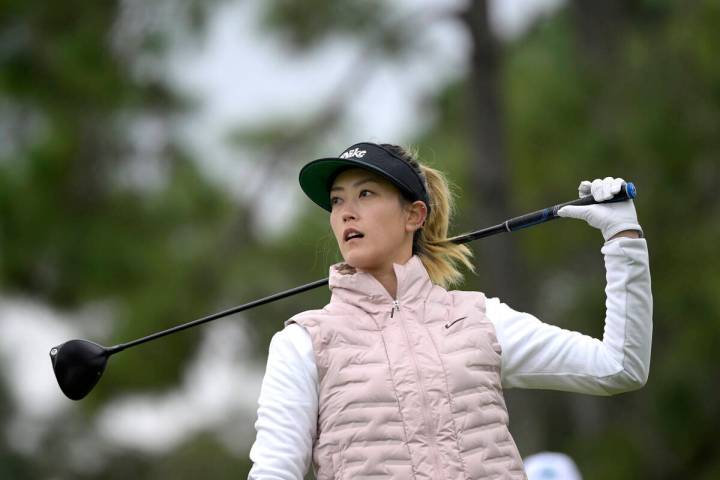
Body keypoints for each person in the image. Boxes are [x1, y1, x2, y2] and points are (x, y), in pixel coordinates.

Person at [248, 142, 652, 479]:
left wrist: (623, 238)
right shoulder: (302, 343)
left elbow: (619, 366)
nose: (346, 212)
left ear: (414, 215)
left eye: (365, 194)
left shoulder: (480, 320)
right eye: (337, 201)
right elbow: (273, 473)